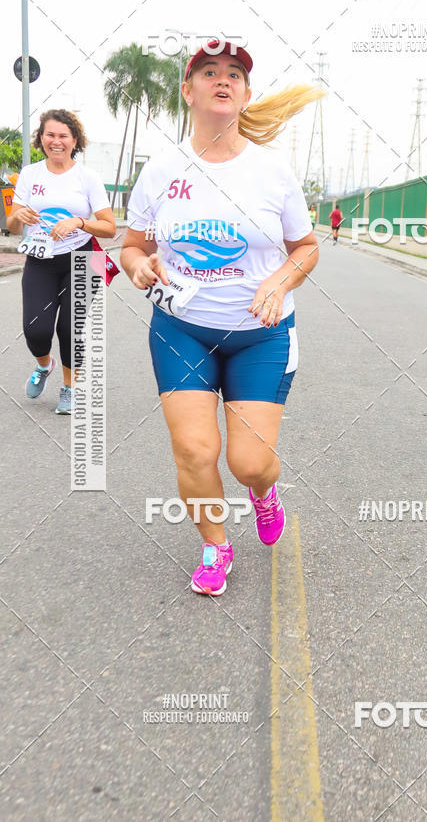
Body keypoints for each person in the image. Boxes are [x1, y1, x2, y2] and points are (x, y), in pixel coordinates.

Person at [121, 40, 324, 596]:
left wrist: (278, 279)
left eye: (234, 74)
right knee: (194, 450)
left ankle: (263, 493)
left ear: (246, 94)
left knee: (249, 462)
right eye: (209, 72)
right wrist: (138, 266)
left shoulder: (273, 173)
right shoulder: (161, 171)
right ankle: (215, 545)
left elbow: (305, 247)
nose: (222, 79)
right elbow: (133, 245)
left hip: (260, 334)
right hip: (182, 327)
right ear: (188, 91)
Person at [8, 110, 116, 414]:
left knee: (71, 326)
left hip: (83, 257)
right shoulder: (30, 174)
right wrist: (18, 216)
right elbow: (13, 226)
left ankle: (70, 388)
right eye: (50, 135)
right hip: (40, 259)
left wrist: (80, 222)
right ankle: (44, 365)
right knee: (35, 329)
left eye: (63, 136)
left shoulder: (88, 177)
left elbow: (108, 226)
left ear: (74, 140)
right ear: (41, 138)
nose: (56, 141)